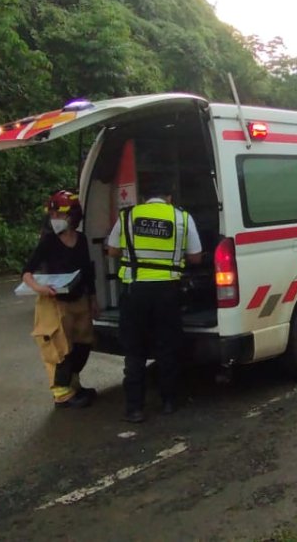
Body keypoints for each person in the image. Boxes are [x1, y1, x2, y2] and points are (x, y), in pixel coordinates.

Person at [106, 178, 202, 423]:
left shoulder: (128, 216)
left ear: (143, 198)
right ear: (169, 197)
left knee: (134, 350)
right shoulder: (182, 217)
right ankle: (169, 401)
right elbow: (196, 257)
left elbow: (112, 250)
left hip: (135, 291)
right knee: (167, 347)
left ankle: (134, 409)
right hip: (167, 292)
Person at [21, 190, 99, 409]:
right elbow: (27, 272)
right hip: (55, 303)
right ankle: (62, 394)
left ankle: (74, 383)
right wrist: (40, 288)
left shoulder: (81, 240)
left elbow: (87, 271)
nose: (54, 219)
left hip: (79, 299)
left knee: (83, 343)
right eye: (52, 215)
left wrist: (93, 299)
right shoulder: (48, 242)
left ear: (72, 216)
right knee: (59, 348)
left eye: (59, 215)